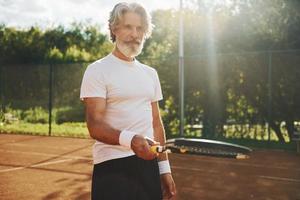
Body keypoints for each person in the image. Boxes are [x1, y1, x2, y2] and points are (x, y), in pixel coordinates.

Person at [80, 2, 176, 200]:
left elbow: (156, 124)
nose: (135, 34)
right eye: (128, 27)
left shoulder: (150, 74)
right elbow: (95, 125)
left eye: (140, 28)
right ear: (114, 29)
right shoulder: (97, 70)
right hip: (112, 167)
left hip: (148, 166)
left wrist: (164, 169)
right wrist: (131, 140)